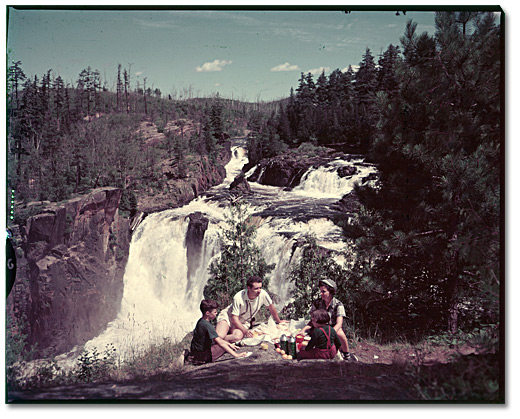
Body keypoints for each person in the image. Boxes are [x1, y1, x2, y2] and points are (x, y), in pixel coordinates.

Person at [297, 279, 354, 361]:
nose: (321, 294)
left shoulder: (338, 304)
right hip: (319, 328)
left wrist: (329, 334)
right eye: (320, 291)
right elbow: (313, 321)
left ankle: (346, 353)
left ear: (331, 292)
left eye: (323, 292)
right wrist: (303, 330)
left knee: (340, 331)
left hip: (332, 329)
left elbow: (339, 324)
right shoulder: (317, 303)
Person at [216, 275, 285, 343]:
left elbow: (271, 308)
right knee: (220, 335)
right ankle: (219, 339)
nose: (259, 291)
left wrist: (279, 321)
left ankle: (221, 341)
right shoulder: (238, 297)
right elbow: (234, 319)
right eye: (256, 288)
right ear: (249, 288)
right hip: (228, 317)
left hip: (243, 322)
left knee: (237, 337)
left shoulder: (263, 294)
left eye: (260, 288)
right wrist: (245, 331)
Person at [188, 299, 248, 364]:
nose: (216, 314)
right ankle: (195, 359)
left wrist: (229, 344)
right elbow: (220, 343)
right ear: (207, 313)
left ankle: (190, 356)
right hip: (203, 356)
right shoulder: (207, 325)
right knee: (223, 346)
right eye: (215, 312)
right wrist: (237, 355)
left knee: (225, 343)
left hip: (195, 352)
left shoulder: (200, 321)